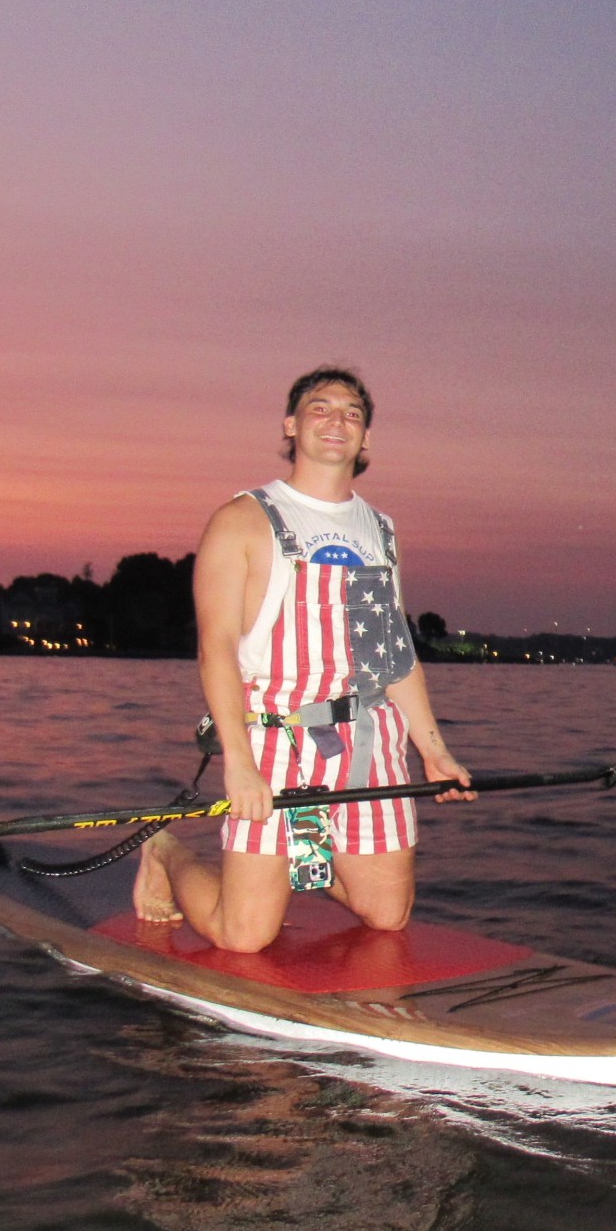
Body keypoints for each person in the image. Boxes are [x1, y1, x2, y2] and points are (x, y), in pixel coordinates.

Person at [134, 366, 473, 951]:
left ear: (366, 439)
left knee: (386, 914)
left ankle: (301, 856)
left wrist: (434, 753)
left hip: (370, 738)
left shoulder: (380, 530)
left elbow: (391, 653)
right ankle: (164, 849)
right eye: (320, 408)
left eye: (352, 412)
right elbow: (215, 648)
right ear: (291, 425)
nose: (336, 420)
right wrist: (238, 762)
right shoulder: (243, 518)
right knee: (242, 936)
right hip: (274, 738)